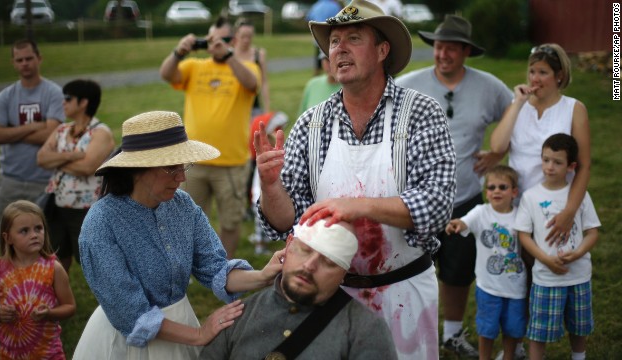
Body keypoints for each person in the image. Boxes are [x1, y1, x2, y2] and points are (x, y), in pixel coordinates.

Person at [255, 1, 457, 358]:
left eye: (353, 38)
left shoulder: (421, 114)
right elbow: (286, 222)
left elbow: (436, 204)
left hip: (404, 291)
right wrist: (272, 189)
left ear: (382, 50)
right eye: (333, 42)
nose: (339, 49)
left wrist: (356, 206)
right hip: (329, 296)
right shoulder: (311, 124)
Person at [73, 111, 284, 359]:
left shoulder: (181, 205)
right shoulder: (101, 223)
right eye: (171, 168)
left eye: (183, 166)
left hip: (180, 328)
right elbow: (130, 313)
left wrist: (263, 276)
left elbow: (214, 267)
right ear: (137, 168)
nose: (182, 177)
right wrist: (198, 335)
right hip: (126, 343)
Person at [396, 14, 513, 358]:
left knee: (459, 271)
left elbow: (517, 114)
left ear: (465, 52)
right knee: (410, 267)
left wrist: (497, 152)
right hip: (415, 197)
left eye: (451, 49)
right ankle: (408, 331)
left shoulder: (489, 86)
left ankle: (451, 333)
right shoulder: (408, 84)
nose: (442, 54)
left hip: (466, 196)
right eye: (438, 47)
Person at [200, 219, 398, 359]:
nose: (309, 266)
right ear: (288, 246)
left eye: (328, 262)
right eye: (304, 250)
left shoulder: (365, 330)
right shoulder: (237, 317)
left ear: (343, 273)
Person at [159, 17, 261, 259]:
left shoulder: (247, 67)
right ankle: (192, 268)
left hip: (231, 162)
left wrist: (228, 56)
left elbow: (252, 83)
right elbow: (166, 74)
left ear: (234, 41)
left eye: (223, 40)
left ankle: (222, 271)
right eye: (211, 39)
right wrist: (178, 52)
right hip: (193, 161)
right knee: (186, 220)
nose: (216, 45)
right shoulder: (195, 66)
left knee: (230, 222)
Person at [491, 43, 592, 244]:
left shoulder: (574, 109)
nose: (535, 78)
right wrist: (518, 103)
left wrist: (569, 211)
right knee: (520, 270)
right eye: (532, 72)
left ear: (559, 75)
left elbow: (584, 165)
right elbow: (497, 147)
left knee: (553, 265)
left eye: (543, 72)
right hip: (517, 203)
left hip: (556, 205)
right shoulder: (517, 106)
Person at [514, 134, 600, 360]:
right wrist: (545, 259)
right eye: (546, 160)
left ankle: (578, 357)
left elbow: (592, 232)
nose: (549, 167)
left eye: (557, 162)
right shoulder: (531, 197)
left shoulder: (580, 195)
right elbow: (523, 235)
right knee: (539, 330)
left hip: (578, 275)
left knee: (579, 326)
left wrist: (579, 253)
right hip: (546, 276)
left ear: (571, 166)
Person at [0, 38, 65, 247]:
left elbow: (53, 135)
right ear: (13, 62)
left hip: (43, 181)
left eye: (29, 58)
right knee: (7, 242)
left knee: (42, 244)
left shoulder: (53, 93)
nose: (25, 63)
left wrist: (11, 130)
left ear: (39, 58)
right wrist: (35, 126)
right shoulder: (6, 96)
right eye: (19, 60)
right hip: (10, 181)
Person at [445, 165, 527, 360]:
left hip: (516, 288)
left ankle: (509, 356)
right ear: (486, 192)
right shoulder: (481, 212)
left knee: (513, 329)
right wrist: (457, 224)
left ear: (514, 192)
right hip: (488, 287)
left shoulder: (521, 215)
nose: (496, 191)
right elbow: (465, 222)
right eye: (491, 187)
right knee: (487, 329)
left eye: (502, 187)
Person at [36, 79, 115, 273]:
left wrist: (57, 160)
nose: (63, 102)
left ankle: (107, 302)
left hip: (86, 211)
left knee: (92, 263)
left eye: (68, 98)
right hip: (57, 206)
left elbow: (87, 167)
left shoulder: (101, 133)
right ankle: (58, 299)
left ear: (83, 102)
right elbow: (41, 158)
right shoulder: (61, 129)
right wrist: (71, 156)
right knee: (55, 258)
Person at [0, 200, 76, 359]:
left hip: (48, 354)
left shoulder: (53, 268)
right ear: (8, 238)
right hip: (9, 354)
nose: (34, 235)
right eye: (24, 231)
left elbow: (70, 306)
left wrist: (49, 313)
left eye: (38, 228)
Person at [247, 111, 289, 255]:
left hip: (261, 196)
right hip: (259, 197)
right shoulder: (265, 164)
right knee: (260, 224)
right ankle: (259, 246)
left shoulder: (267, 163)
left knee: (261, 224)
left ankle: (261, 240)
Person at [234, 17, 271, 116]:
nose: (246, 40)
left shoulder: (259, 54)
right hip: (234, 105)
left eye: (249, 36)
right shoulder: (230, 56)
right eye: (243, 36)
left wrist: (267, 108)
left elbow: (264, 82)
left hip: (254, 106)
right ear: (236, 35)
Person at [306, 0, 343, 76]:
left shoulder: (316, 5)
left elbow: (308, 18)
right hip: (331, 37)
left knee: (318, 60)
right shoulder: (334, 6)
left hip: (317, 37)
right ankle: (332, 76)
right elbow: (340, 20)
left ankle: (317, 75)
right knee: (332, 59)